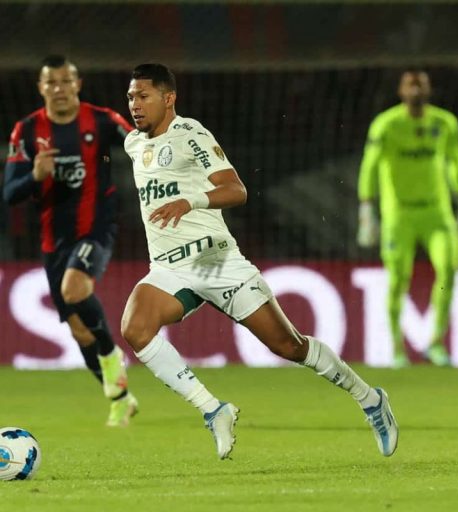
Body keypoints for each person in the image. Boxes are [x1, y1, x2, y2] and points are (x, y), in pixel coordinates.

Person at [120, 63, 398, 460]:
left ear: (169, 99)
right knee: (135, 328)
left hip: (215, 260)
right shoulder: (133, 142)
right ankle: (213, 410)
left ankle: (370, 399)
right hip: (167, 267)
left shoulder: (191, 134)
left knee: (289, 345)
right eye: (130, 97)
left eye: (143, 96)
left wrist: (190, 200)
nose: (135, 104)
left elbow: (236, 190)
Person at [3, 55, 138, 427]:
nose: (59, 89)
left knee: (75, 289)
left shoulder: (103, 120)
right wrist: (34, 175)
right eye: (52, 82)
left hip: (97, 226)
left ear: (78, 84)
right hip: (53, 240)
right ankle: (120, 398)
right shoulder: (27, 131)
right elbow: (10, 194)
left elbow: (143, 147)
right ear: (41, 87)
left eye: (66, 81)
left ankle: (112, 359)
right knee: (80, 330)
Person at [357, 70, 458, 368]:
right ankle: (396, 349)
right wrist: (366, 209)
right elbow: (370, 166)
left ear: (430, 88)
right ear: (400, 90)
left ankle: (435, 342)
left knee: (449, 270)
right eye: (411, 84)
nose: (416, 88)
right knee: (398, 278)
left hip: (437, 212)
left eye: (421, 83)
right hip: (399, 214)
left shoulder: (445, 123)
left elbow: (455, 161)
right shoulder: (386, 124)